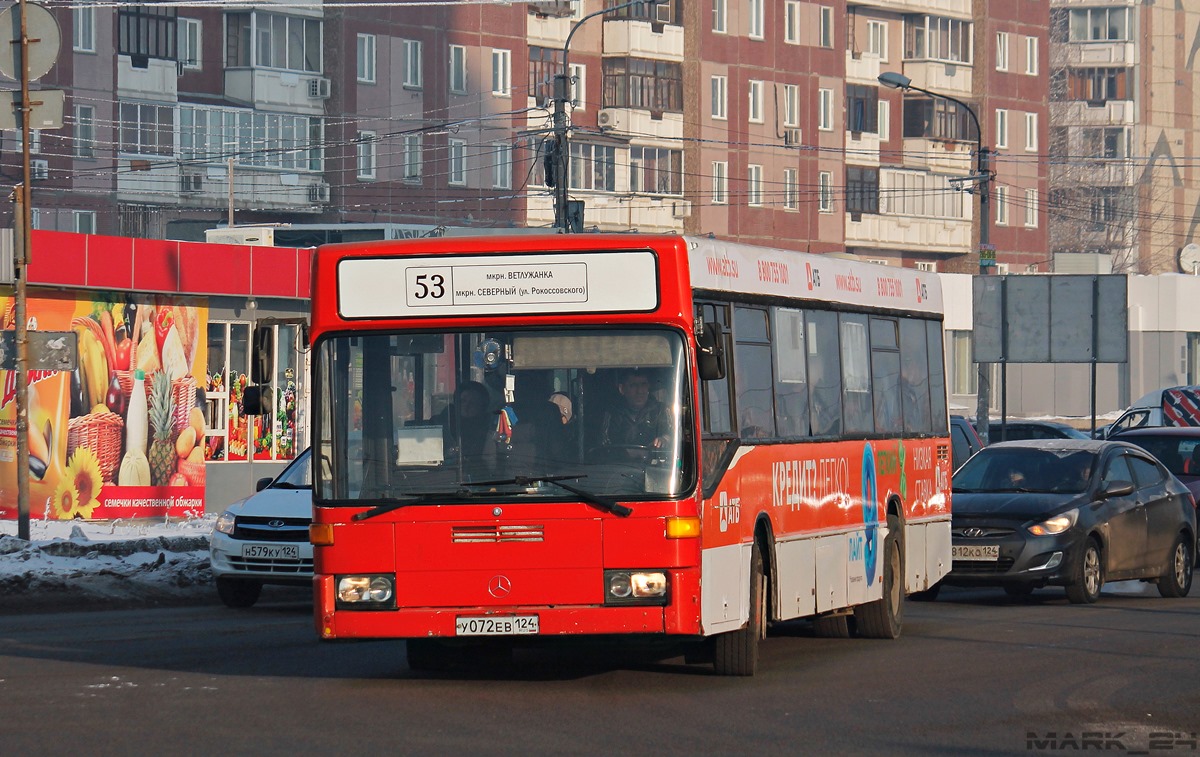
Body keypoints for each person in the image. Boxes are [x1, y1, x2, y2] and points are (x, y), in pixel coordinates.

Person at [600, 369, 672, 450]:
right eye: (633, 385)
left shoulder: (661, 411)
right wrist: (627, 453)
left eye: (643, 384)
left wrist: (665, 439)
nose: (640, 391)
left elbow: (674, 435)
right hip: (619, 462)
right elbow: (605, 445)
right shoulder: (613, 413)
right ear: (622, 389)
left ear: (648, 387)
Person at [433, 381, 495, 461]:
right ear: (456, 402)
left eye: (472, 402)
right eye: (463, 401)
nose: (466, 405)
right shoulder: (440, 424)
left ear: (482, 406)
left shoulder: (489, 428)